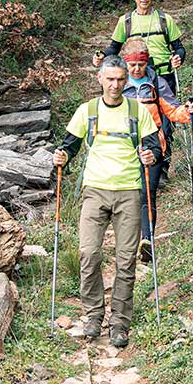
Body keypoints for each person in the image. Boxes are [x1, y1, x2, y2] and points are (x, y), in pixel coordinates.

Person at [52, 56, 161, 347]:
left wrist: (150, 156)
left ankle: (119, 323)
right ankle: (92, 317)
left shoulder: (138, 111)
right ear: (100, 79)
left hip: (128, 191)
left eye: (120, 80)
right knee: (89, 254)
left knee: (126, 261)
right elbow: (69, 146)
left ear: (126, 81)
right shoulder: (87, 111)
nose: (115, 85)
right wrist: (61, 157)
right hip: (95, 191)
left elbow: (153, 148)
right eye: (110, 79)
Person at [119, 40, 193, 260]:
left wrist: (187, 112)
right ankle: (127, 240)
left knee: (147, 194)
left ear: (146, 62)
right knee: (127, 196)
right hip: (124, 149)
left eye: (140, 65)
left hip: (154, 145)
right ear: (126, 63)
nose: (136, 69)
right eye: (132, 64)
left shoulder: (156, 82)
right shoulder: (117, 83)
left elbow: (172, 110)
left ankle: (147, 241)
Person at [93, 0, 186, 95]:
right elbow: (114, 48)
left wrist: (178, 57)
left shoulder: (165, 19)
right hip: (135, 79)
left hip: (164, 77)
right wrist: (103, 55)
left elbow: (180, 48)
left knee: (167, 112)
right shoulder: (126, 21)